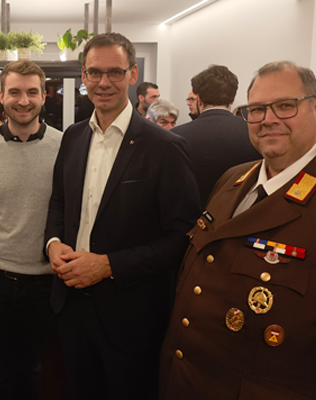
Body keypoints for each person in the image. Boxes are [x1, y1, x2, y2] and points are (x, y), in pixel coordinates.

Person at [45, 33, 200, 399]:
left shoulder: (166, 147)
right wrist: (52, 243)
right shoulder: (73, 137)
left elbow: (183, 237)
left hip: (131, 316)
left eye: (114, 72)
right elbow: (58, 202)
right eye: (94, 73)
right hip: (71, 308)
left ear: (132, 74)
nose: (104, 83)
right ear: (83, 76)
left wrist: (108, 265)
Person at [159, 61, 316, 399]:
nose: (268, 119)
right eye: (257, 109)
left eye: (285, 106)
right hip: (185, 381)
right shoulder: (233, 179)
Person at [0, 60, 62, 400]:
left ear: (43, 96)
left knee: (34, 370)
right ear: (1, 97)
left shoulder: (64, 146)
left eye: (32, 92)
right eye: (14, 92)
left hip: (44, 280)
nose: (23, 100)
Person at [173, 65, 261, 208]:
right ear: (232, 99)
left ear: (199, 99)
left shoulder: (175, 137)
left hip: (189, 217)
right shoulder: (255, 133)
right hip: (240, 215)